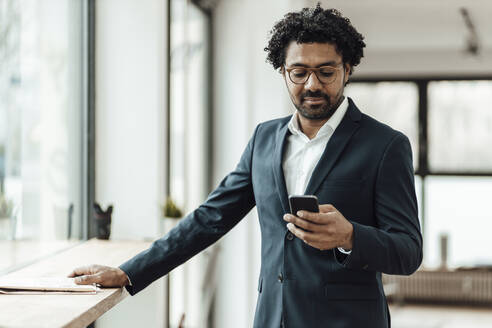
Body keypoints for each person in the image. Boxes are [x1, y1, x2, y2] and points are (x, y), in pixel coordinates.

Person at [70, 4, 422, 327]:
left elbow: (408, 251)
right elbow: (209, 219)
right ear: (283, 72)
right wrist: (129, 273)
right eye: (299, 72)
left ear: (347, 70)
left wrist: (349, 236)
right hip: (272, 318)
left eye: (326, 72)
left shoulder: (385, 146)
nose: (312, 84)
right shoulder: (264, 140)